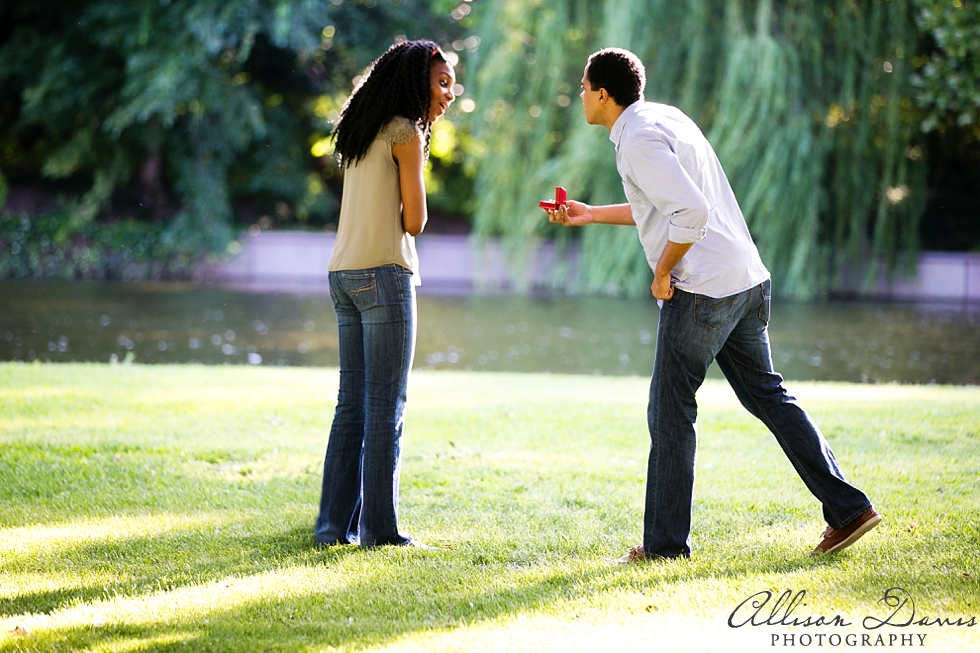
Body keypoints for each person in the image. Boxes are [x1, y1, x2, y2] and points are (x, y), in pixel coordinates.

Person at [544, 48, 880, 561]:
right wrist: (589, 214)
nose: (580, 96)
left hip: (703, 289)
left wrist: (662, 272)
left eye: (584, 88)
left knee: (670, 413)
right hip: (745, 281)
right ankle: (850, 509)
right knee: (769, 397)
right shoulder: (665, 119)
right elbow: (665, 206)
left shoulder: (637, 139)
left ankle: (664, 547)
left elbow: (691, 212)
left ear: (603, 94)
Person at [315, 39, 456, 548]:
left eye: (453, 85)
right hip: (384, 274)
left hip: (343, 274)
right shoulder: (406, 132)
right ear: (417, 82)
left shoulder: (361, 128)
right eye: (442, 83)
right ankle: (380, 532)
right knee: (385, 407)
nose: (450, 93)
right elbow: (415, 222)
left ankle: (332, 528)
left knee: (350, 406)